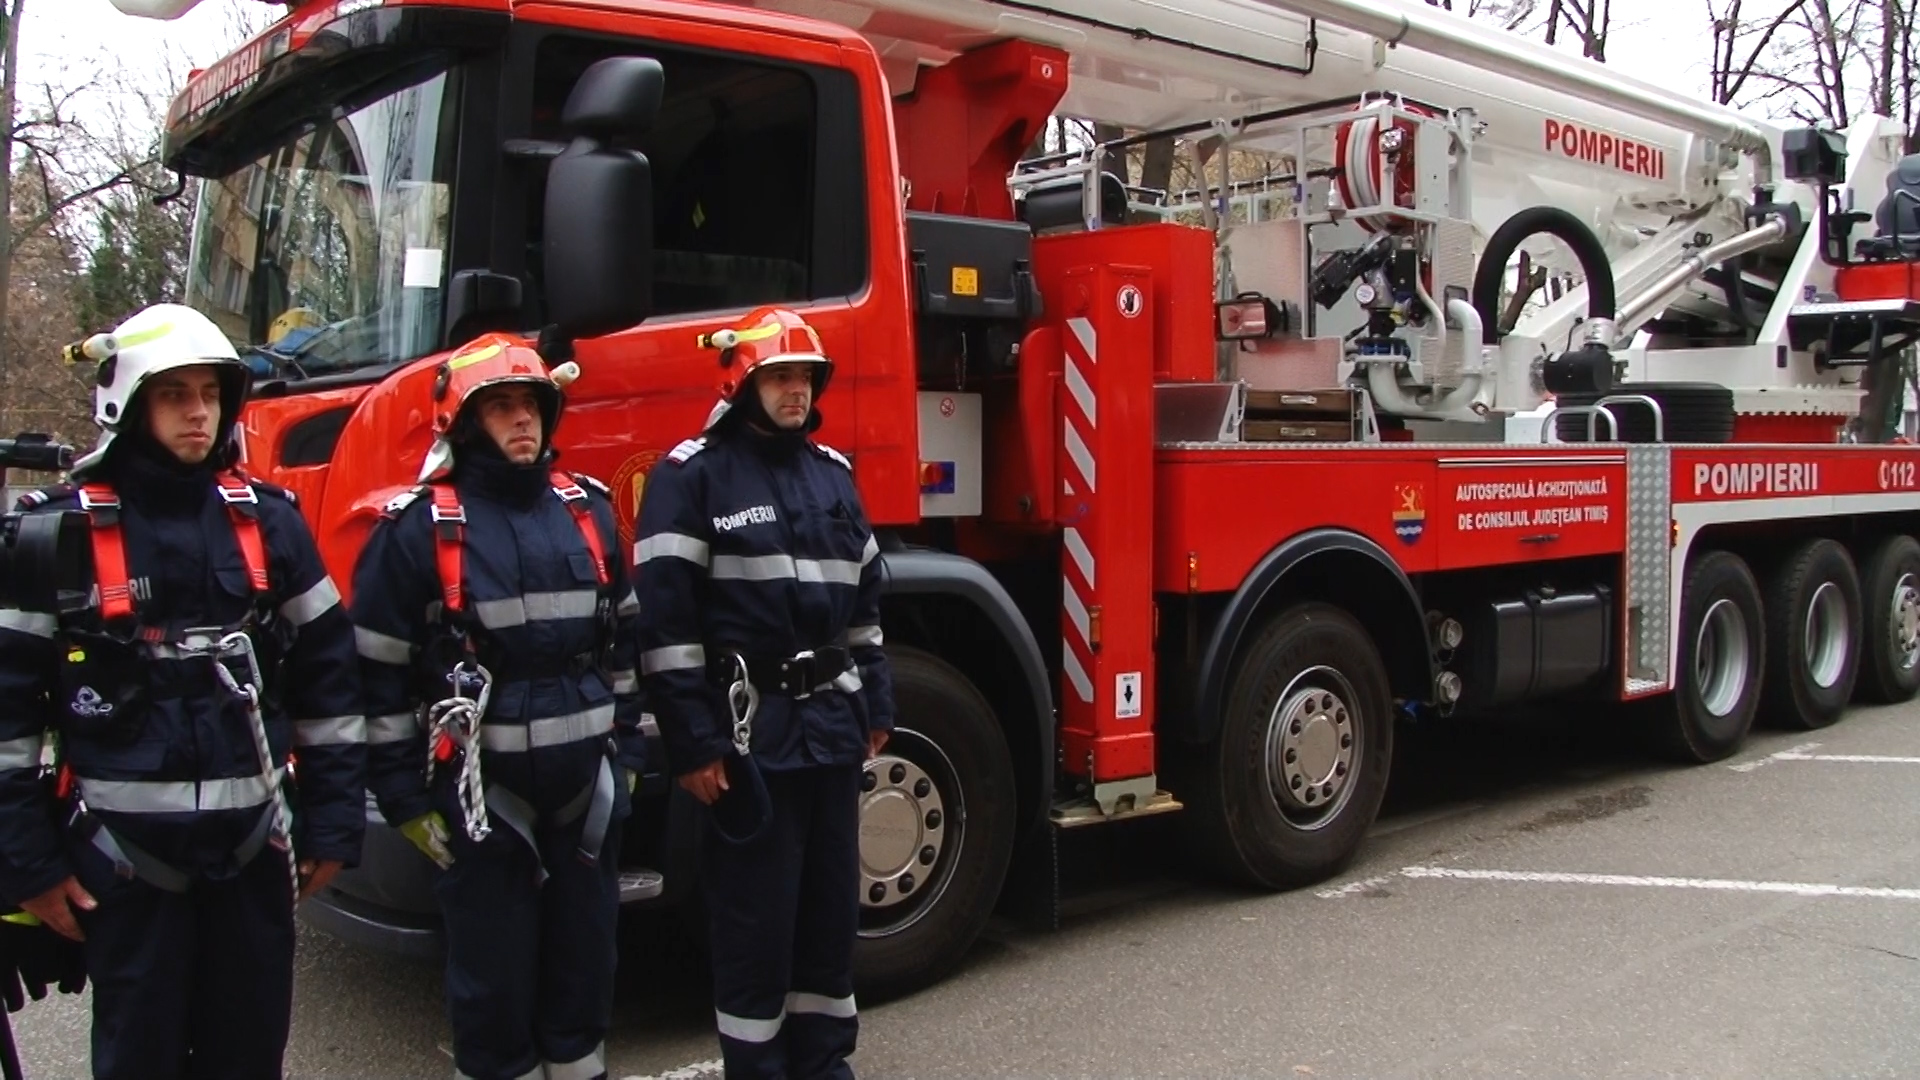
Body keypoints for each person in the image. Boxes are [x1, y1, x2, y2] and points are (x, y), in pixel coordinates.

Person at [0, 302, 367, 1079]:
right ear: (127, 403)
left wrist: (334, 822)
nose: (198, 412)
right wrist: (29, 865)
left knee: (248, 1059)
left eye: (209, 394)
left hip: (253, 858)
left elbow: (331, 677)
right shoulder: (53, 537)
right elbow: (7, 711)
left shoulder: (270, 525)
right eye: (174, 394)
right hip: (125, 871)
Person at [350, 333, 646, 1080]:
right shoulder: (417, 531)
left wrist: (628, 757)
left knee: (586, 977)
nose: (522, 420)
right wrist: (401, 797)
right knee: (492, 989)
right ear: (464, 423)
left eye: (532, 405)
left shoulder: (588, 512)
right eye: (502, 406)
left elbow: (627, 643)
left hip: (586, 797)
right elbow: (377, 674)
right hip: (483, 806)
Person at [632, 307, 894, 1079]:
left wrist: (877, 706)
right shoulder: (691, 477)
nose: (795, 392)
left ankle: (824, 1064)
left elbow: (866, 606)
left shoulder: (833, 475)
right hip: (752, 741)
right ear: (741, 383)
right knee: (756, 926)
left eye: (805, 378)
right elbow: (665, 624)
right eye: (779, 377)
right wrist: (694, 743)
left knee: (829, 918)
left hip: (832, 733)